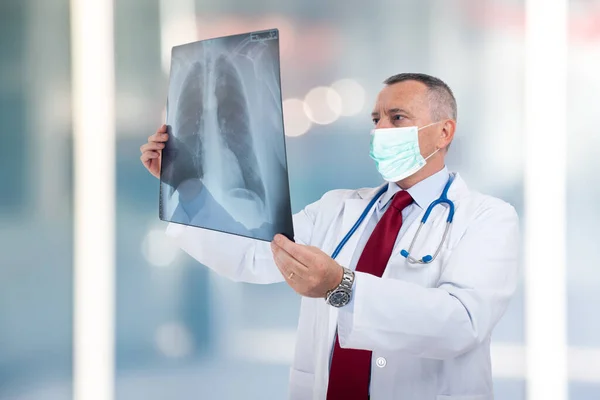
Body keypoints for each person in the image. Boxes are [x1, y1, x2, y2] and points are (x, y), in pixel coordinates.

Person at [140, 73, 520, 400]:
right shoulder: (338, 209)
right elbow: (254, 253)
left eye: (397, 117)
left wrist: (343, 286)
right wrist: (184, 186)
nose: (380, 130)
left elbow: (463, 322)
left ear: (444, 132)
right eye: (376, 118)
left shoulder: (487, 218)